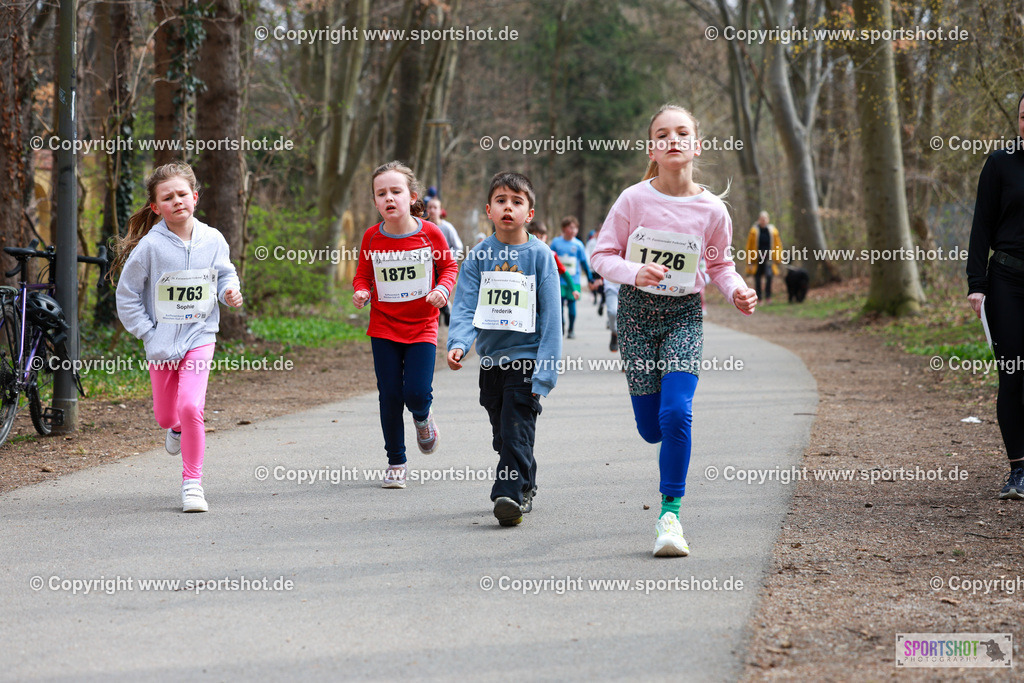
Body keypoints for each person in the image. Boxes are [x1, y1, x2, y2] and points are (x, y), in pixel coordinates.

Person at [592, 104, 757, 556]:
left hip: (685, 314)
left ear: (696, 145)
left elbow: (721, 264)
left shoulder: (712, 209)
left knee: (677, 413)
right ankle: (666, 441)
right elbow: (601, 255)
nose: (673, 140)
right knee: (652, 428)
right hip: (637, 317)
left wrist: (738, 290)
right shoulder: (633, 200)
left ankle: (671, 516)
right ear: (653, 148)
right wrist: (632, 271)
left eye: (682, 133)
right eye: (662, 135)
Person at [114, 162, 243, 513]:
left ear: (195, 197)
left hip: (201, 335)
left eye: (182, 194)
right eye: (167, 197)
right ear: (156, 207)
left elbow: (224, 273)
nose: (177, 201)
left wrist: (229, 291)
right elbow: (126, 295)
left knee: (190, 407)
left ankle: (192, 484)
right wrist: (148, 333)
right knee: (166, 416)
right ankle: (175, 429)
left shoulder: (213, 238)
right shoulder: (150, 248)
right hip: (161, 344)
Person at [446, 172, 562, 526]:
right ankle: (524, 478)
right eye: (501, 201)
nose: (508, 207)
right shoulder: (479, 257)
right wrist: (459, 342)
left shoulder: (541, 257)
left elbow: (552, 317)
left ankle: (507, 493)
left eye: (517, 201)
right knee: (504, 435)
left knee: (516, 426)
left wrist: (547, 369)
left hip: (526, 358)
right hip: (491, 362)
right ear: (489, 210)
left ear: (529, 213)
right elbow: (465, 306)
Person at [353, 161, 459, 489]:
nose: (389, 198)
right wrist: (361, 291)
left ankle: (423, 417)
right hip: (384, 326)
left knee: (415, 392)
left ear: (411, 196)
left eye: (395, 192)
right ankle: (396, 461)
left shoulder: (430, 233)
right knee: (389, 395)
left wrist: (442, 290)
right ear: (374, 201)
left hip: (423, 325)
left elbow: (449, 267)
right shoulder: (372, 237)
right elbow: (363, 275)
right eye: (381, 193)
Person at [966, 90, 1024, 500]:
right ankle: (1019, 470)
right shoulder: (1000, 164)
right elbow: (981, 226)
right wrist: (976, 284)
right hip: (1007, 282)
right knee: (1013, 375)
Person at [550, 216, 599, 338]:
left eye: (575, 228)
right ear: (564, 228)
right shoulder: (556, 243)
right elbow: (550, 260)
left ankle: (571, 329)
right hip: (559, 280)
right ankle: (561, 327)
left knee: (572, 306)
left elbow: (583, 263)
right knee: (559, 307)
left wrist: (589, 279)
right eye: (570, 227)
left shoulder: (578, 245)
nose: (573, 230)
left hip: (574, 280)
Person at [426, 198, 464, 326]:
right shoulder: (422, 227)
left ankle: (447, 309)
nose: (432, 210)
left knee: (440, 288)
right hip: (427, 266)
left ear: (440, 210)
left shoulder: (447, 227)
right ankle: (437, 314)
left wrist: (448, 258)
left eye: (435, 207)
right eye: (429, 207)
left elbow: (458, 246)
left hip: (443, 266)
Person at [745, 211, 783, 303]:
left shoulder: (773, 231)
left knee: (769, 276)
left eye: (765, 219)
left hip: (768, 257)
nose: (763, 221)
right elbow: (749, 246)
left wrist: (778, 258)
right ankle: (759, 298)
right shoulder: (754, 231)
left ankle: (768, 297)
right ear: (759, 220)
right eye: (762, 219)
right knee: (757, 278)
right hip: (757, 257)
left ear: (768, 220)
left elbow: (778, 245)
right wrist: (749, 261)